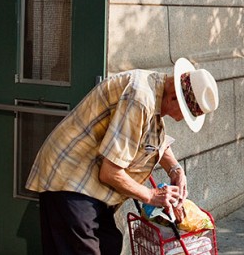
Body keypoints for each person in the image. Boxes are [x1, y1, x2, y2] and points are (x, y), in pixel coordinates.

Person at [26, 58, 219, 254]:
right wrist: (151, 196)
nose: (180, 120)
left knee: (110, 244)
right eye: (184, 114)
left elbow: (155, 138)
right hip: (70, 176)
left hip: (91, 183)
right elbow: (109, 173)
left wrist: (175, 169)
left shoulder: (157, 90)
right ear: (174, 98)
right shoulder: (140, 99)